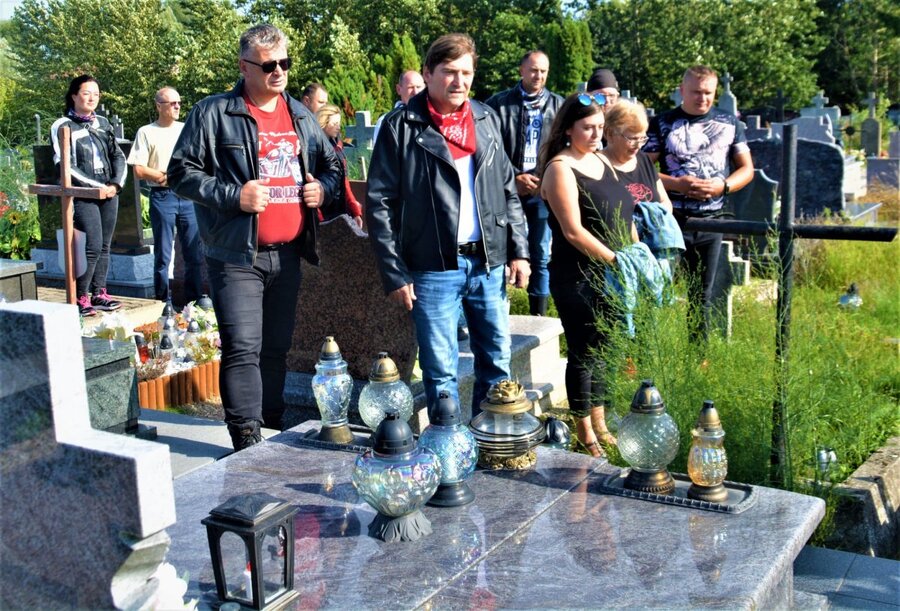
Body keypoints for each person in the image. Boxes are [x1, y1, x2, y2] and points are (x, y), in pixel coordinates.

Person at [167, 24, 341, 451]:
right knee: (243, 346)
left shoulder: (299, 114)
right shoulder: (213, 112)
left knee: (276, 349)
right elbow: (180, 173)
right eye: (268, 65)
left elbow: (332, 166)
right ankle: (245, 440)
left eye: (285, 63)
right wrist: (234, 196)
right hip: (236, 255)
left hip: (288, 254)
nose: (278, 71)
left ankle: (273, 429)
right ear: (244, 67)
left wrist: (323, 189)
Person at [366, 33, 530, 417]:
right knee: (441, 373)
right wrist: (394, 272)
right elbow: (379, 204)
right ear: (428, 73)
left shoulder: (485, 118)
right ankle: (449, 446)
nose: (460, 81)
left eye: (466, 73)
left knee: (497, 364)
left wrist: (519, 251)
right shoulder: (401, 126)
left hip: (487, 264)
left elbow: (507, 189)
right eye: (449, 72)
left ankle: (491, 439)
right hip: (433, 268)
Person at [539, 95, 667, 457]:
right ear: (568, 129)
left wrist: (638, 256)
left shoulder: (601, 160)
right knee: (584, 353)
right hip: (578, 275)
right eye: (587, 128)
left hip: (616, 273)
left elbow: (625, 217)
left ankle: (601, 423)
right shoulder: (560, 168)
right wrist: (616, 260)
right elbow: (573, 231)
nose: (596, 134)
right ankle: (584, 432)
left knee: (607, 349)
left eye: (600, 127)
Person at [643, 65, 753, 340]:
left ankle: (697, 354)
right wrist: (676, 183)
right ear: (682, 90)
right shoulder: (662, 123)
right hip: (671, 219)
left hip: (711, 221)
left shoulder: (730, 123)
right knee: (655, 289)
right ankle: (652, 350)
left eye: (708, 93)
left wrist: (723, 186)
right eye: (695, 92)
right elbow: (641, 169)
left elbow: (746, 169)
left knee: (702, 295)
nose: (702, 98)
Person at [485, 50, 563, 317]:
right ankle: (496, 310)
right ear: (521, 70)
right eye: (533, 70)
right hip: (506, 189)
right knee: (500, 249)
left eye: (543, 71)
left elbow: (564, 148)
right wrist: (514, 176)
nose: (538, 75)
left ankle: (537, 316)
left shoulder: (558, 106)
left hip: (542, 189)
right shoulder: (499, 104)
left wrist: (546, 178)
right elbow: (491, 147)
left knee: (540, 252)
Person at [50, 75, 126, 317]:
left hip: (109, 190)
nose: (92, 98)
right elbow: (66, 165)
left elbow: (118, 155)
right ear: (74, 95)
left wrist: (115, 184)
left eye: (96, 94)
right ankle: (80, 296)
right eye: (86, 93)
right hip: (83, 193)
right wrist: (96, 187)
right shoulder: (63, 125)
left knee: (105, 245)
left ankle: (99, 293)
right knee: (91, 245)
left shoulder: (102, 123)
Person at [127, 87, 203, 305]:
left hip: (188, 196)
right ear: (159, 106)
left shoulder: (187, 129)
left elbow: (198, 160)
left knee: (193, 253)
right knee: (163, 254)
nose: (177, 106)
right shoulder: (146, 132)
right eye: (172, 103)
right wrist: (167, 177)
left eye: (179, 102)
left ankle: (194, 302)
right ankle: (162, 302)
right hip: (162, 196)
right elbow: (138, 169)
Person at [316, 104, 363, 228]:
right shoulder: (314, 147)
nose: (338, 127)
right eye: (334, 123)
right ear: (323, 122)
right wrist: (318, 217)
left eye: (339, 123)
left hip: (340, 207)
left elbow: (344, 181)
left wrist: (355, 210)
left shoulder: (337, 146)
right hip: (323, 210)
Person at [372, 70, 425, 143]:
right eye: (410, 87)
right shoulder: (388, 122)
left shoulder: (433, 117)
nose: (415, 92)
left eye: (418, 87)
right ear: (399, 89)